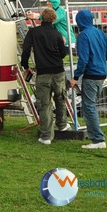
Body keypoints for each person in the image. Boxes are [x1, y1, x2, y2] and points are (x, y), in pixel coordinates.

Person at [20, 7, 71, 145]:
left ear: (41, 18)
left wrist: (25, 66)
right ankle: (63, 124)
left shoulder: (33, 32)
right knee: (60, 98)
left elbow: (25, 50)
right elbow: (62, 54)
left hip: (43, 73)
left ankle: (47, 136)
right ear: (54, 19)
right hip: (58, 71)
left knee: (44, 104)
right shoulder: (57, 34)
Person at [70, 9, 107, 149]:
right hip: (102, 74)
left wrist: (75, 77)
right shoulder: (101, 33)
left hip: (91, 75)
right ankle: (96, 137)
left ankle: (98, 139)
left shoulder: (83, 36)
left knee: (88, 107)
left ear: (79, 21)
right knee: (92, 106)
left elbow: (83, 59)